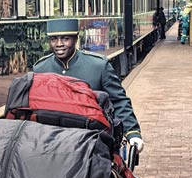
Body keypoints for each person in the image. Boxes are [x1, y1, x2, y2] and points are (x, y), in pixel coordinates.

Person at [33, 18, 143, 153]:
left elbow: (119, 101)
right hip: (52, 144)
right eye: (54, 39)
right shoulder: (40, 69)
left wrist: (132, 132)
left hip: (91, 143)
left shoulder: (98, 66)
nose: (59, 44)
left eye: (65, 39)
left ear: (76, 39)